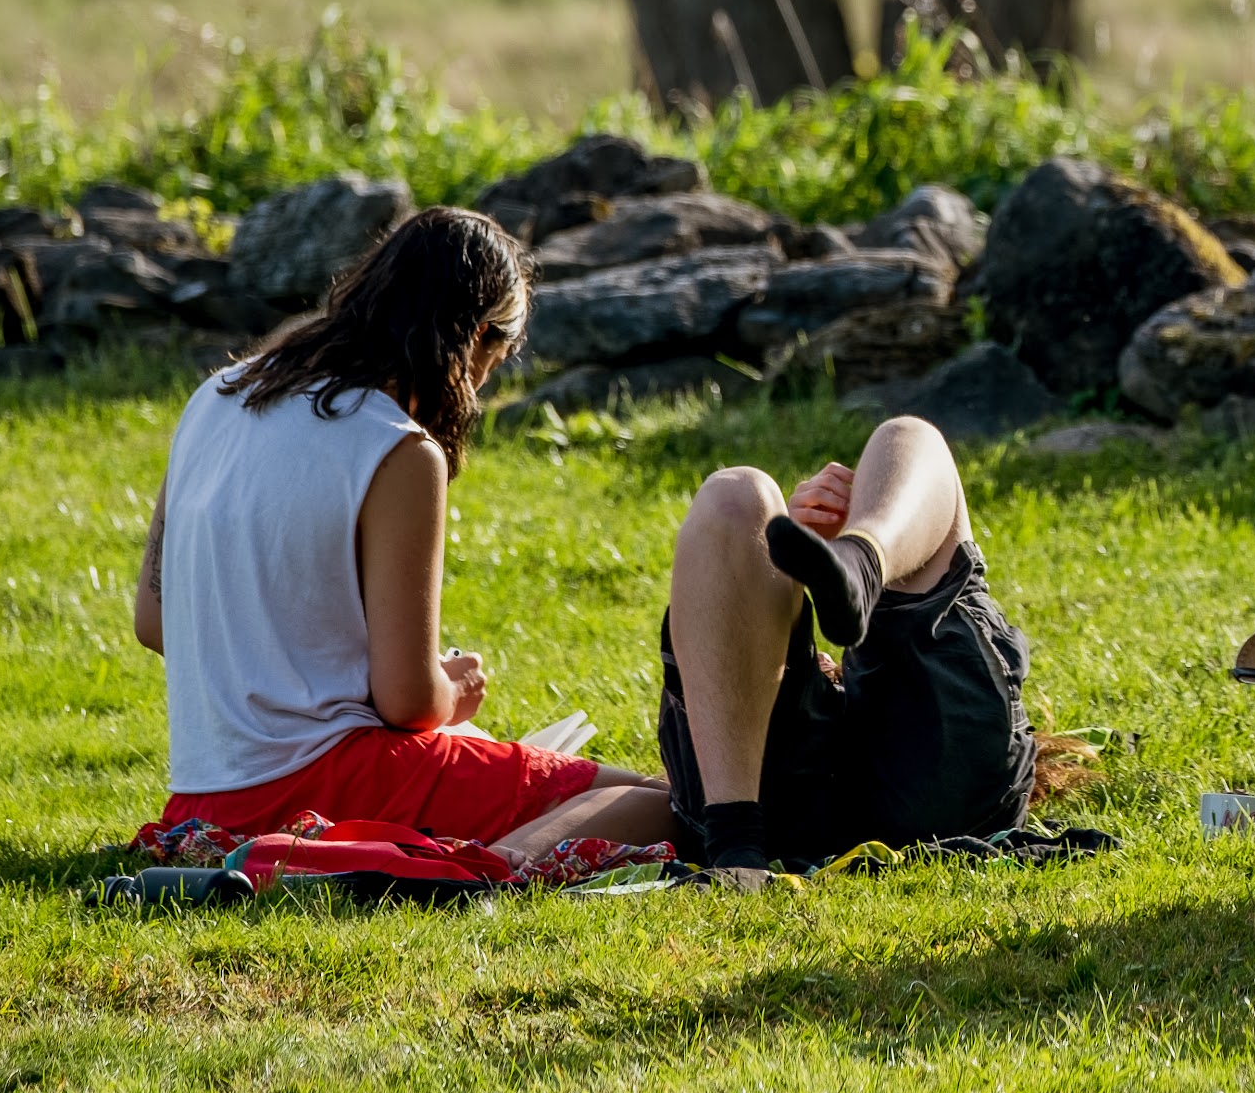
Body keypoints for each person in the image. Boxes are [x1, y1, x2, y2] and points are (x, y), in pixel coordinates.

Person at [136, 208, 672, 858]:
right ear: (476, 339)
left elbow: (156, 621)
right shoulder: (397, 449)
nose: (480, 386)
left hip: (201, 796)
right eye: (493, 362)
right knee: (663, 804)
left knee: (619, 794)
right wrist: (453, 689)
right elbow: (408, 703)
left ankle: (434, 857)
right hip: (323, 781)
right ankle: (462, 870)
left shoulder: (216, 396)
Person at [655, 414, 1046, 879]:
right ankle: (861, 561)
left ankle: (860, 562)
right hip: (923, 798)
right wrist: (783, 560)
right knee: (738, 493)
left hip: (786, 811)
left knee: (905, 436)